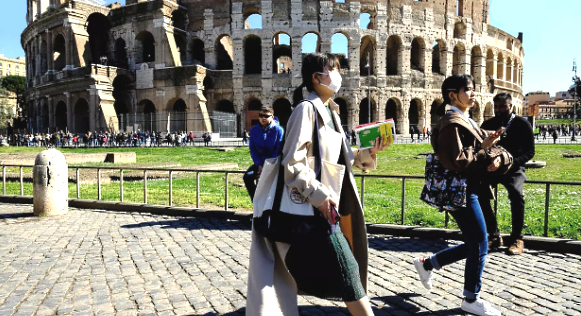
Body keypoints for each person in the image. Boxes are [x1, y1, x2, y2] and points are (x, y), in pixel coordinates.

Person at [247, 53, 391, 316]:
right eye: (333, 70)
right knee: (350, 275)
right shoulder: (306, 109)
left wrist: (370, 152)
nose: (339, 75)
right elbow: (292, 162)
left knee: (349, 277)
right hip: (316, 208)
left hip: (327, 207)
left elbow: (347, 159)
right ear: (316, 77)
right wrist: (318, 195)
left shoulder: (332, 111)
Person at [413, 74, 503, 316]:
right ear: (453, 95)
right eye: (469, 89)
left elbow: (481, 151)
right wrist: (484, 149)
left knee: (476, 242)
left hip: (468, 189)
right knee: (480, 243)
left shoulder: (464, 119)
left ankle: (428, 264)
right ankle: (471, 298)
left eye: (473, 89)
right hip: (461, 190)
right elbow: (457, 161)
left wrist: (494, 151)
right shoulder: (452, 122)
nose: (473, 93)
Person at [479, 93, 535, 255]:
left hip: (515, 168)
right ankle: (494, 235)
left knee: (516, 195)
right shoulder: (488, 123)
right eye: (496, 106)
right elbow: (482, 147)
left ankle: (517, 238)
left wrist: (512, 162)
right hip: (492, 168)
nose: (498, 110)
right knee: (480, 193)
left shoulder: (522, 124)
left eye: (502, 106)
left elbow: (530, 151)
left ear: (511, 106)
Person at [243, 105, 284, 201]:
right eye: (261, 115)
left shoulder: (278, 130)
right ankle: (256, 202)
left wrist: (267, 166)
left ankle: (270, 208)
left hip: (274, 164)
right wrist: (259, 165)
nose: (263, 118)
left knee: (269, 183)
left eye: (266, 116)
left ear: (272, 117)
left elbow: (278, 150)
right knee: (247, 177)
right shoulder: (254, 130)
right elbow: (253, 150)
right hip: (260, 163)